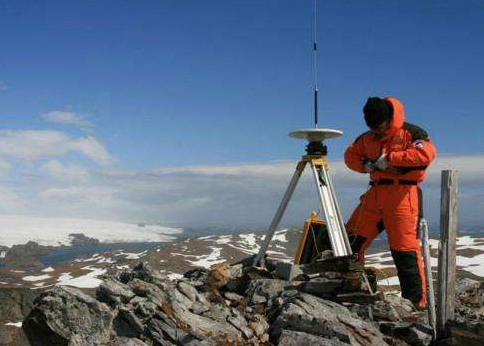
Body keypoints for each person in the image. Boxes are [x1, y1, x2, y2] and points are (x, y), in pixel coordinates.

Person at [344, 96, 436, 309]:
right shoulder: (366, 138)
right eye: (373, 127)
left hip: (402, 195)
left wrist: (392, 159)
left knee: (404, 251)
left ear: (389, 118)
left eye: (380, 126)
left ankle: (415, 304)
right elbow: (350, 156)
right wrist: (365, 165)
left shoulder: (412, 133)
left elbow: (425, 154)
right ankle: (350, 288)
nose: (377, 131)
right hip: (375, 193)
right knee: (350, 241)